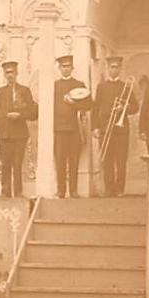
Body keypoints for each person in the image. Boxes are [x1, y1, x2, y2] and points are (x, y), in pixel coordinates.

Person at [92, 56, 139, 197]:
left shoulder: (126, 86)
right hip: (105, 127)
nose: (114, 70)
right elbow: (95, 108)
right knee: (107, 159)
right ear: (108, 69)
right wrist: (95, 127)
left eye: (117, 67)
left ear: (120, 69)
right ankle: (109, 189)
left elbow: (135, 107)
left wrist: (124, 106)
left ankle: (120, 189)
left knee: (121, 160)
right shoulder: (101, 87)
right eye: (112, 67)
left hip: (121, 128)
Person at [0, 61, 37, 198]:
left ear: (17, 73)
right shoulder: (0, 92)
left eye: (12, 72)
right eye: (7, 73)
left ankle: (18, 192)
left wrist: (20, 115)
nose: (10, 75)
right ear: (4, 75)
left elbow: (33, 113)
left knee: (17, 164)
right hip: (4, 134)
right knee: (5, 163)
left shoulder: (24, 91)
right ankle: (5, 191)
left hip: (20, 134)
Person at [54, 55, 93, 198]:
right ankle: (61, 190)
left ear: (72, 68)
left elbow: (89, 105)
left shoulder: (79, 84)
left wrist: (74, 104)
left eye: (68, 66)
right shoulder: (54, 86)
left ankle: (74, 190)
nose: (66, 69)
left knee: (74, 160)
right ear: (59, 68)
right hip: (58, 129)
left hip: (75, 129)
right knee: (60, 161)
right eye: (63, 66)